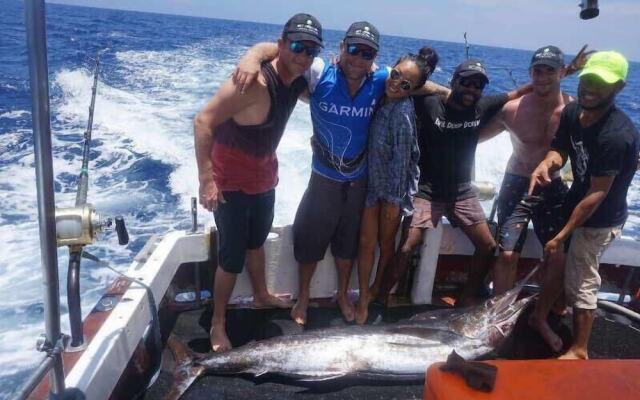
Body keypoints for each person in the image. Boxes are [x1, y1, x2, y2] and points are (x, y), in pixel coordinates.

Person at [235, 22, 449, 325]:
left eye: (367, 54)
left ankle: (342, 294)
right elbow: (282, 53)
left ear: (374, 58)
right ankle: (305, 297)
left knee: (347, 245)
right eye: (353, 50)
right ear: (341, 48)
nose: (358, 59)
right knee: (310, 241)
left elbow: (414, 81)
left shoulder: (381, 79)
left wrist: (446, 92)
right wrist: (252, 57)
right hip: (323, 177)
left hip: (359, 180)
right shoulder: (319, 72)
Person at [194, 13, 324, 352]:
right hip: (230, 185)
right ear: (282, 44)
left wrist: (254, 51)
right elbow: (203, 121)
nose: (302, 55)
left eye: (309, 50)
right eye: (296, 46)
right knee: (231, 258)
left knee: (257, 243)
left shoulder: (297, 78)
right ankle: (218, 323)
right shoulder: (252, 84)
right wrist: (206, 181)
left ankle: (261, 294)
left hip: (265, 180)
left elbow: (271, 49)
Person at [377, 59, 533, 306]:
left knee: (487, 245)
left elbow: (521, 91)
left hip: (462, 192)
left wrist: (565, 72)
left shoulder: (483, 106)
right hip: (426, 190)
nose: (472, 89)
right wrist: (439, 89)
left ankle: (466, 297)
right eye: (466, 82)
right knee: (407, 246)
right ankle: (381, 299)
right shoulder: (429, 104)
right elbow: (409, 86)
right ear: (454, 81)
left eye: (478, 85)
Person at [529, 51, 638, 359]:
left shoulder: (616, 135)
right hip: (575, 201)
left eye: (601, 83)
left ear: (619, 87)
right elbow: (559, 149)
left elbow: (596, 195)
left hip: (600, 217)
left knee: (583, 280)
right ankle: (543, 314)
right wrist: (547, 164)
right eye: (588, 79)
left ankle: (579, 349)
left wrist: (562, 234)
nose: (590, 87)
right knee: (559, 264)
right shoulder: (572, 111)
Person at [478, 46, 574, 296]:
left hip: (551, 187)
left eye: (549, 71)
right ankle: (500, 314)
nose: (542, 77)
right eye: (537, 71)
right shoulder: (513, 110)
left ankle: (545, 311)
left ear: (562, 72)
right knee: (508, 254)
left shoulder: (573, 112)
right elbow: (472, 137)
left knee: (556, 255)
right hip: (516, 184)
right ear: (530, 72)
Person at [355, 49, 438, 324]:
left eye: (405, 85)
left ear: (412, 90)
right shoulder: (381, 93)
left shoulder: (402, 113)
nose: (396, 83)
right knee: (367, 243)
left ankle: (377, 290)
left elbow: (402, 164)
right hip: (371, 186)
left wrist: (394, 203)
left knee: (385, 244)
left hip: (390, 193)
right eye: (395, 75)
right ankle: (364, 293)